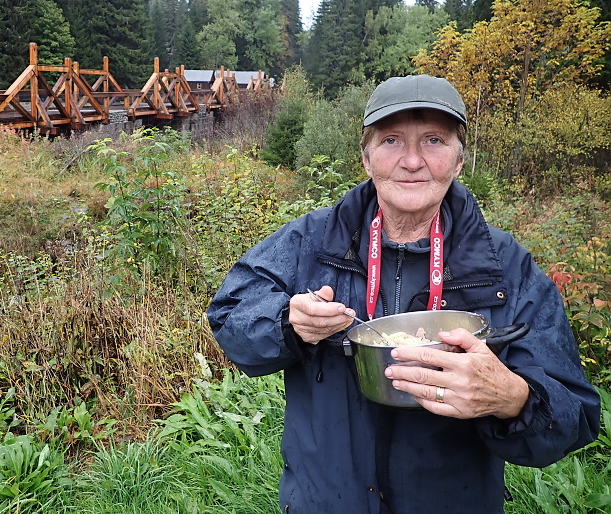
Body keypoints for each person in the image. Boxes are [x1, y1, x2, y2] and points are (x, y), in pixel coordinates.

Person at [206, 75, 600, 514]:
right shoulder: (311, 241)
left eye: (434, 140)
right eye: (391, 140)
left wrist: (513, 398)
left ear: (459, 159)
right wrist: (287, 322)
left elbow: (576, 417)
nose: (412, 160)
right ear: (366, 157)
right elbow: (229, 314)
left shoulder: (505, 266)